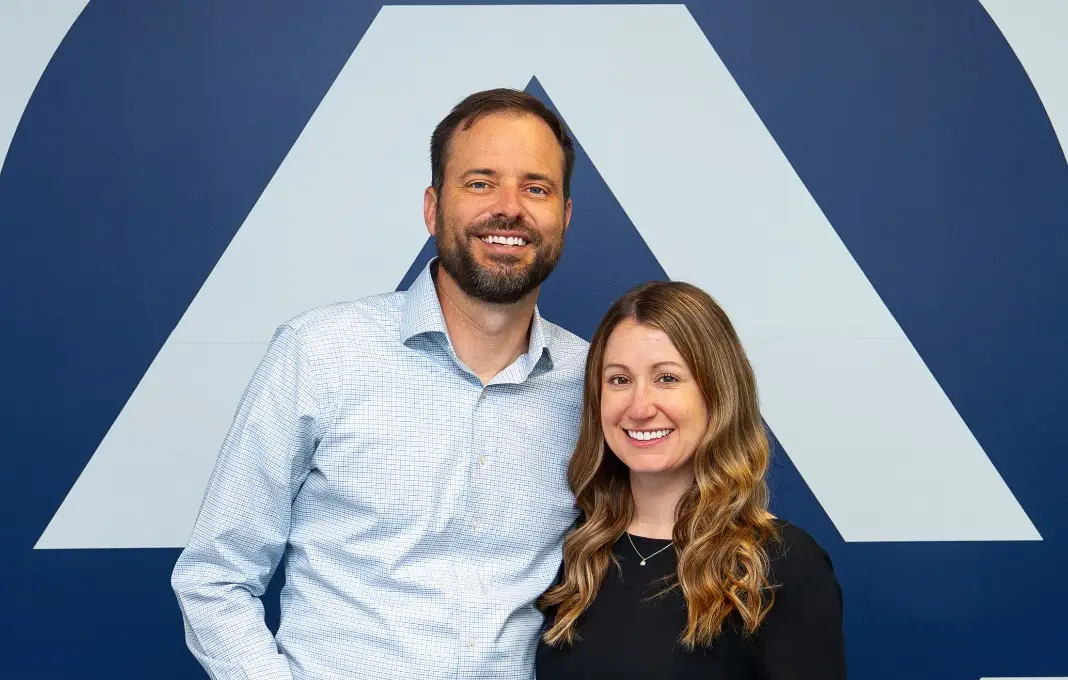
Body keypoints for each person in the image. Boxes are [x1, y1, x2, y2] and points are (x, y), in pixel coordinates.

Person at [171, 88, 589, 680]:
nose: (509, 208)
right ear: (432, 208)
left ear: (564, 217)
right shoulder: (319, 352)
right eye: (480, 183)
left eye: (536, 188)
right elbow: (215, 576)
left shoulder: (595, 385)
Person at [535, 281, 847, 679]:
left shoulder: (782, 565)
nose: (640, 407)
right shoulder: (573, 553)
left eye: (667, 378)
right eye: (619, 380)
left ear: (717, 394)